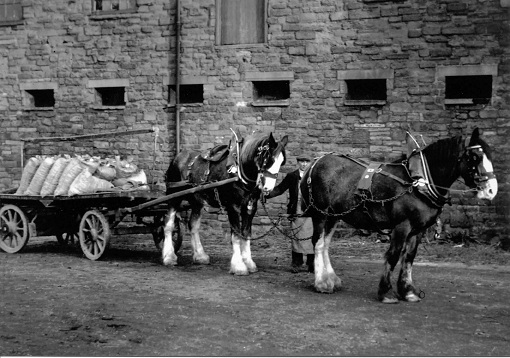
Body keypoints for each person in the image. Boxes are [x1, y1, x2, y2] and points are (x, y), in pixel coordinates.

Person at [265, 156, 314, 273]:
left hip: (311, 210)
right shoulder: (292, 176)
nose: (304, 164)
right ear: (298, 163)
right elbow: (281, 188)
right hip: (296, 209)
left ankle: (312, 263)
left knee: (312, 236)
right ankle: (297, 263)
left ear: (310, 163)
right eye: (301, 161)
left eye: (306, 162)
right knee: (296, 235)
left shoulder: (314, 176)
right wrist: (267, 194)